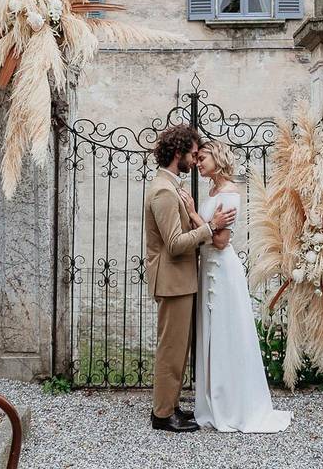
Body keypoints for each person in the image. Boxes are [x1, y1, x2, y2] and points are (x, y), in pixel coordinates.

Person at [179, 139, 293, 433]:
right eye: (197, 158)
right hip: (208, 269)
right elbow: (207, 231)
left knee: (226, 332)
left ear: (217, 158)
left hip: (221, 270)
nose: (198, 163)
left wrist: (193, 213)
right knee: (212, 334)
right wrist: (202, 220)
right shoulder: (213, 191)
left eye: (202, 158)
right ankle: (213, 402)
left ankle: (232, 406)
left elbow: (220, 240)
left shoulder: (229, 193)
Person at [144, 126, 236, 433]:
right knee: (170, 348)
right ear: (178, 152)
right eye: (192, 154)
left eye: (199, 155)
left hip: (181, 280)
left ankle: (170, 406)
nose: (194, 160)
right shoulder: (163, 190)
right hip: (172, 281)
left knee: (178, 347)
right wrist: (209, 227)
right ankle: (162, 415)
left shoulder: (171, 187)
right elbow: (174, 243)